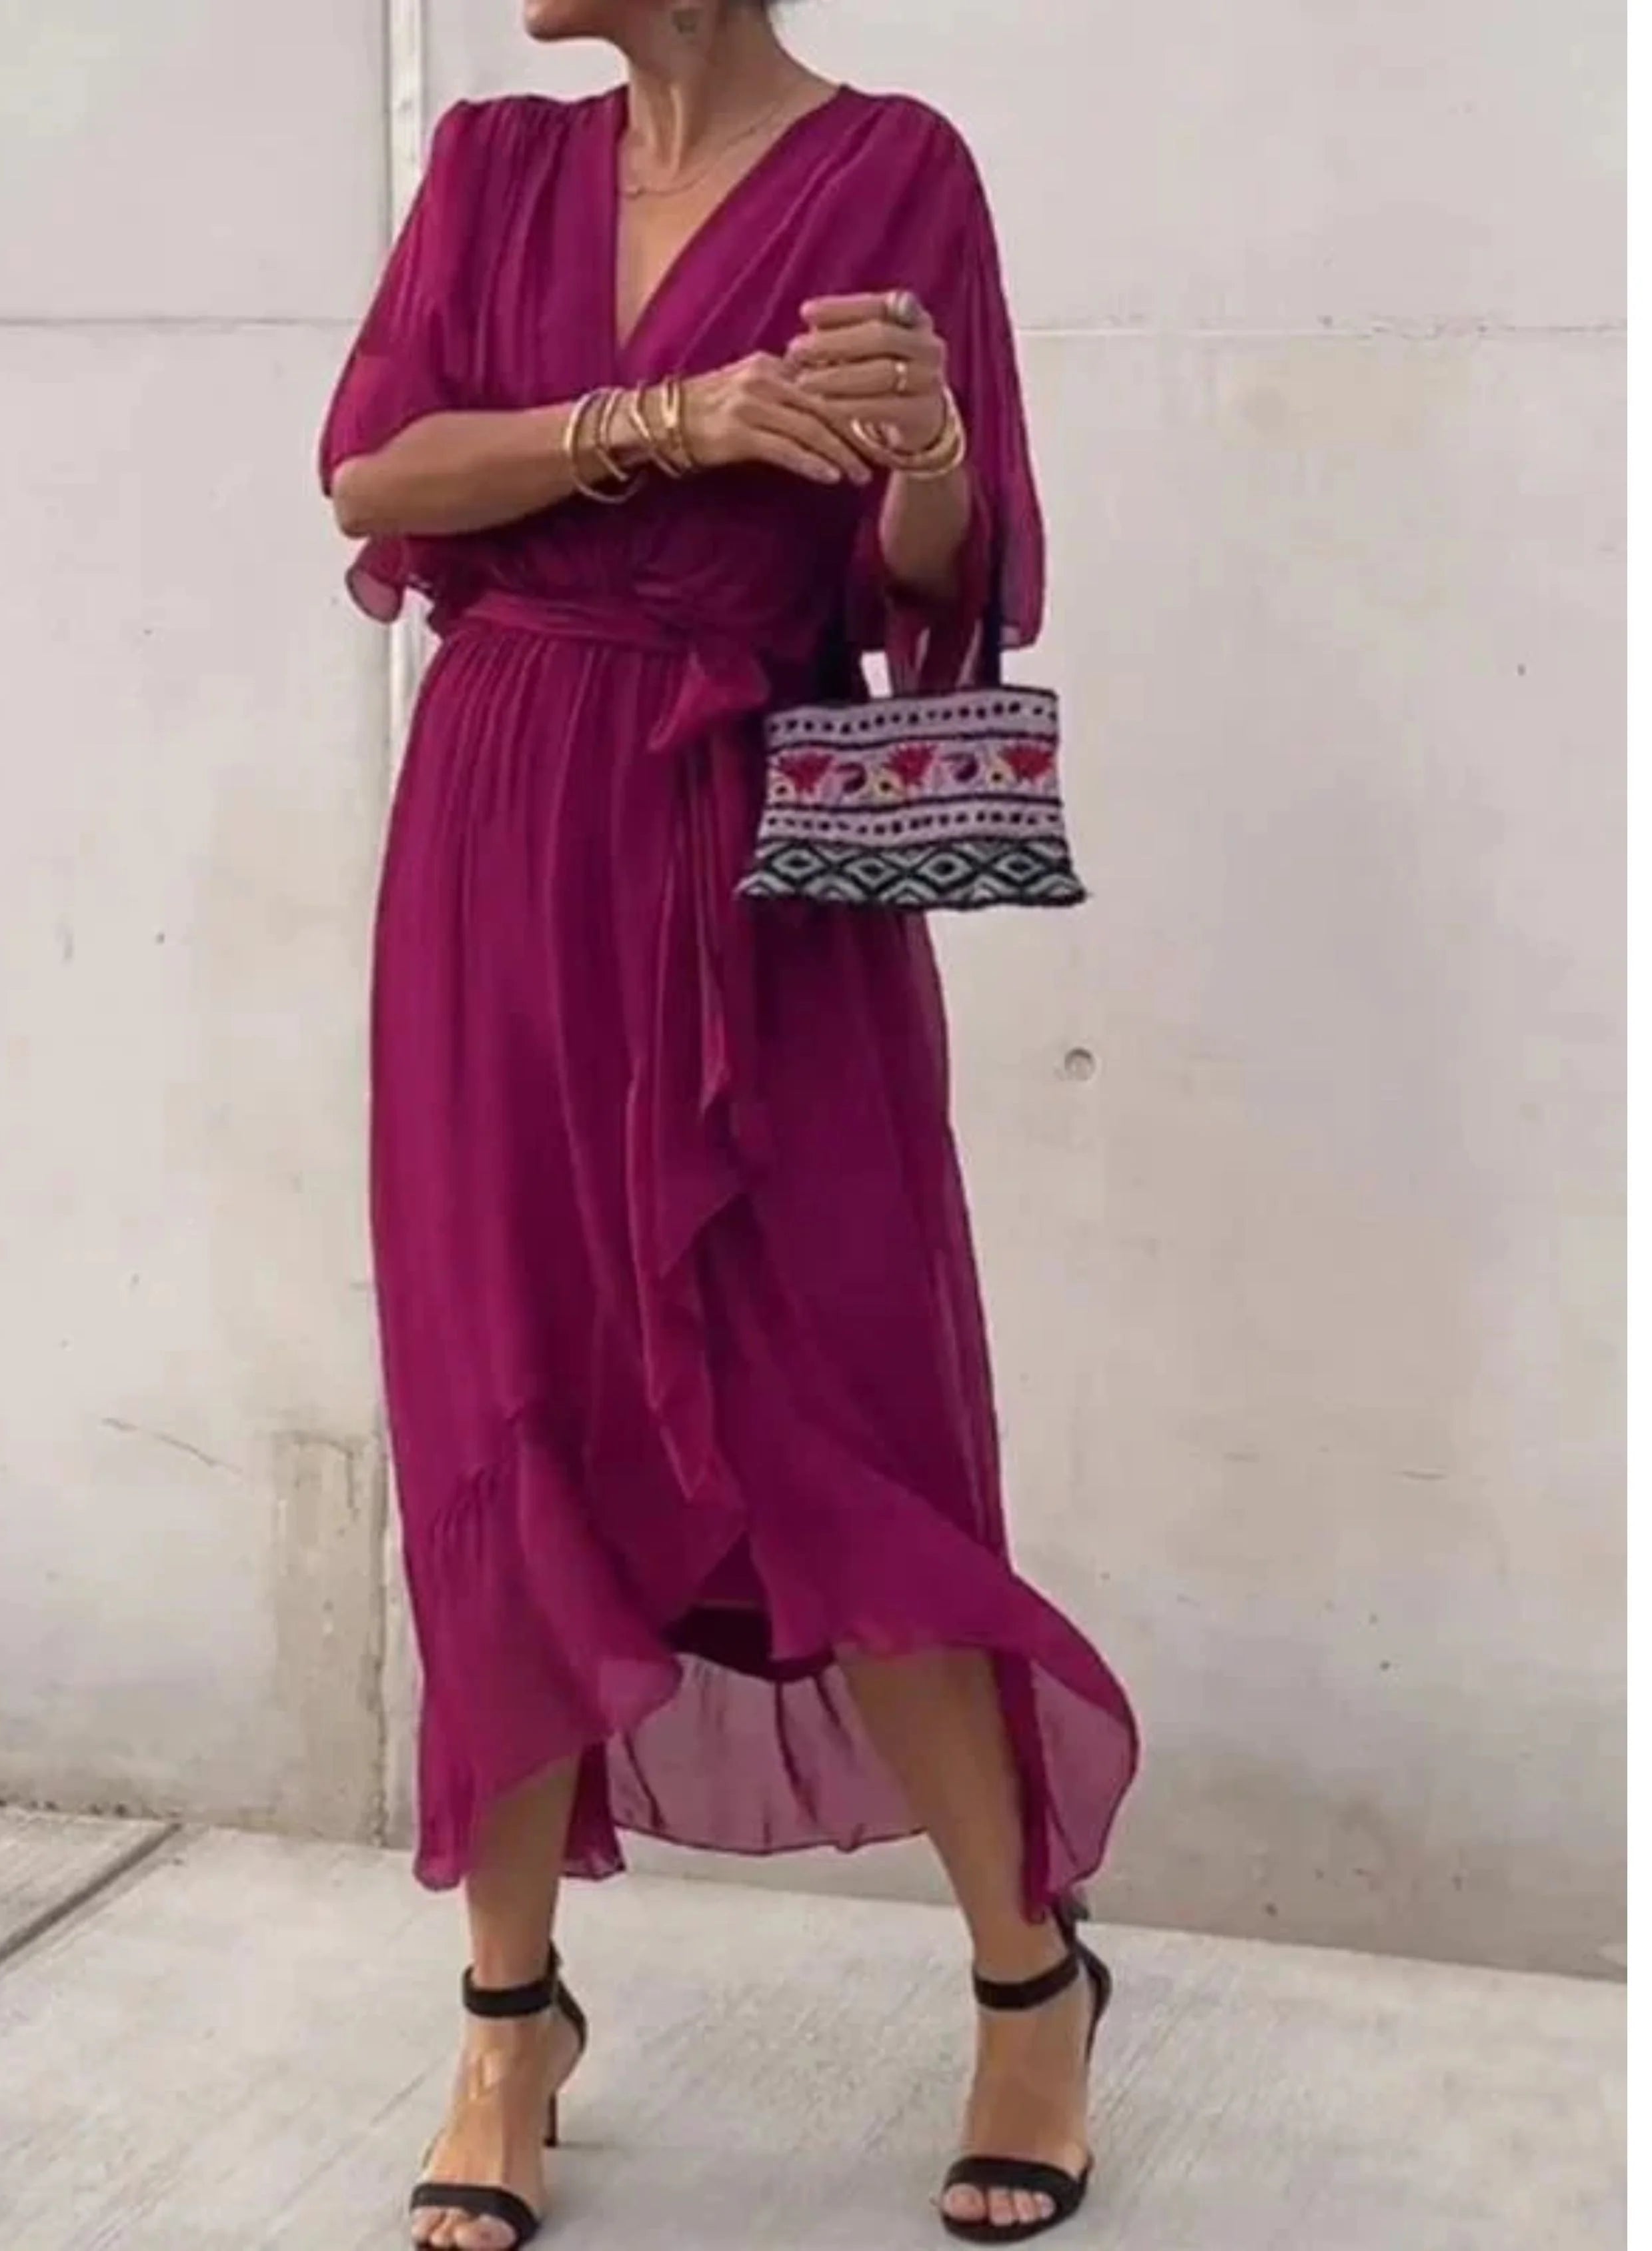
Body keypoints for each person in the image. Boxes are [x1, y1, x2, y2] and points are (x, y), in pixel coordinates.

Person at [319, 3, 1139, 2243]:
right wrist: (667, 418)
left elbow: (930, 580)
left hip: (754, 861)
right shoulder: (495, 164)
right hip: (498, 835)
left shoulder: (895, 168)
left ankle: (1029, 1983)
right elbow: (374, 474)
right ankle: (508, 2019)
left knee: (832, 1416)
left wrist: (930, 445)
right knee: (507, 1397)